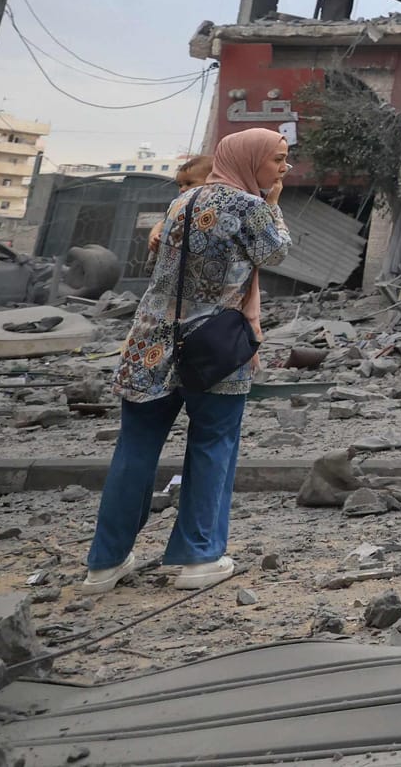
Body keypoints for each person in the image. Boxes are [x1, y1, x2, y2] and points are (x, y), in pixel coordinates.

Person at [82, 128, 292, 594]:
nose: (283, 168)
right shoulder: (250, 208)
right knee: (213, 444)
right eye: (277, 159)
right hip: (214, 345)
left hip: (150, 341)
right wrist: (274, 203)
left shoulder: (183, 201)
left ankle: (104, 562)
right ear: (250, 159)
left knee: (134, 449)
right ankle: (198, 557)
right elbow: (275, 252)